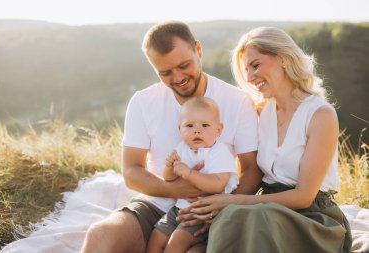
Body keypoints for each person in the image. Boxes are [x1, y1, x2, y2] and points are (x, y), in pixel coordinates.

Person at [80, 21, 261, 253]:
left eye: (184, 65)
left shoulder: (237, 100)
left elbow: (251, 169)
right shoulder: (143, 102)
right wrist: (176, 190)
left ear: (198, 50)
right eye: (165, 73)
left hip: (214, 209)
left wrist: (222, 207)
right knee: (101, 235)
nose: (177, 78)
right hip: (156, 202)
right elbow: (132, 172)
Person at [181, 26, 352, 253]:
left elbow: (304, 196)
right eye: (246, 70)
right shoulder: (261, 111)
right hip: (264, 209)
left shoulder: (320, 114)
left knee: (245, 215)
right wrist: (214, 200)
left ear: (282, 58)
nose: (250, 78)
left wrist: (234, 202)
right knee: (229, 218)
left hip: (313, 218)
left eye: (255, 65)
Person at [146, 97, 239, 253]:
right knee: (156, 238)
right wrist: (170, 167)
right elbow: (169, 179)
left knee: (175, 244)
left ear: (218, 129)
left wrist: (189, 173)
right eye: (189, 125)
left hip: (202, 212)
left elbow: (218, 184)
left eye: (205, 125)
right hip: (178, 209)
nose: (197, 130)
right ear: (180, 129)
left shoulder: (219, 153)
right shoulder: (182, 148)